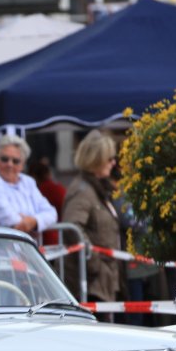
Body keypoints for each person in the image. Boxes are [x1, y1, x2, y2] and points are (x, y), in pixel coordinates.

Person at [60, 130, 124, 305]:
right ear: (97, 159)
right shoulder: (83, 191)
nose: (113, 162)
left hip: (99, 281)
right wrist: (94, 263)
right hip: (90, 283)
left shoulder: (96, 188)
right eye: (109, 158)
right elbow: (72, 227)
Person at [0, 134, 58, 236]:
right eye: (4, 159)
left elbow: (52, 213)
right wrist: (36, 220)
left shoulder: (28, 181)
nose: (10, 164)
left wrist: (33, 221)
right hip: (0, 244)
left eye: (15, 161)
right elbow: (9, 218)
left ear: (23, 164)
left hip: (25, 244)